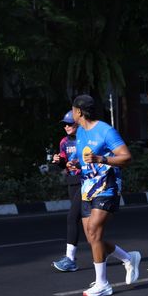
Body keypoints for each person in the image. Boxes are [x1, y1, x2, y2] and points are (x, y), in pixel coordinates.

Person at [72, 94, 141, 296]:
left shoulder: (105, 131)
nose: (72, 113)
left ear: (79, 112)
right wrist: (74, 164)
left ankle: (102, 284)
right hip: (88, 188)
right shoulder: (80, 132)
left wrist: (102, 159)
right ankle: (128, 258)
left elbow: (126, 157)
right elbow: (84, 159)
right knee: (93, 237)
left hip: (107, 186)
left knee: (94, 231)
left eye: (73, 110)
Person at [52, 111, 83, 272]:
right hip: (72, 182)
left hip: (86, 181)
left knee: (72, 217)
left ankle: (70, 259)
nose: (66, 126)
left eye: (69, 123)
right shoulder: (64, 141)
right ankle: (126, 257)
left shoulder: (85, 139)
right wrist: (59, 161)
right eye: (64, 124)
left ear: (78, 123)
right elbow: (64, 162)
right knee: (86, 223)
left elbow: (93, 160)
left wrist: (79, 164)